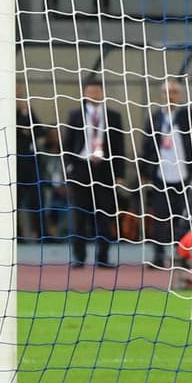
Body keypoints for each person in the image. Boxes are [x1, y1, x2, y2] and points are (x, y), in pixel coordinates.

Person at [140, 78, 192, 267]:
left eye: (173, 92)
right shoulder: (155, 117)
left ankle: (183, 255)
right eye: (166, 92)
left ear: (179, 95)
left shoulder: (189, 116)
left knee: (183, 216)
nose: (170, 96)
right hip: (161, 174)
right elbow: (147, 145)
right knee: (160, 216)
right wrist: (145, 171)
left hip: (183, 174)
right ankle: (158, 256)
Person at [61, 78, 126, 268]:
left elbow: (120, 146)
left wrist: (119, 174)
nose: (94, 94)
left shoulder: (113, 116)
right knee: (79, 216)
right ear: (84, 93)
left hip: (105, 170)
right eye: (90, 91)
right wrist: (69, 168)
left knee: (104, 216)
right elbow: (67, 144)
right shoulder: (75, 115)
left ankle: (103, 257)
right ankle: (79, 257)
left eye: (97, 91)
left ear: (103, 92)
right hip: (82, 168)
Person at [16, 82, 45, 242]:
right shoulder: (6, 109)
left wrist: (25, 114)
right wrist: (22, 118)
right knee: (16, 201)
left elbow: (40, 129)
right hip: (15, 162)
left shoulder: (27, 109)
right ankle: (18, 234)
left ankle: (41, 233)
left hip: (31, 162)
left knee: (36, 199)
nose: (19, 91)